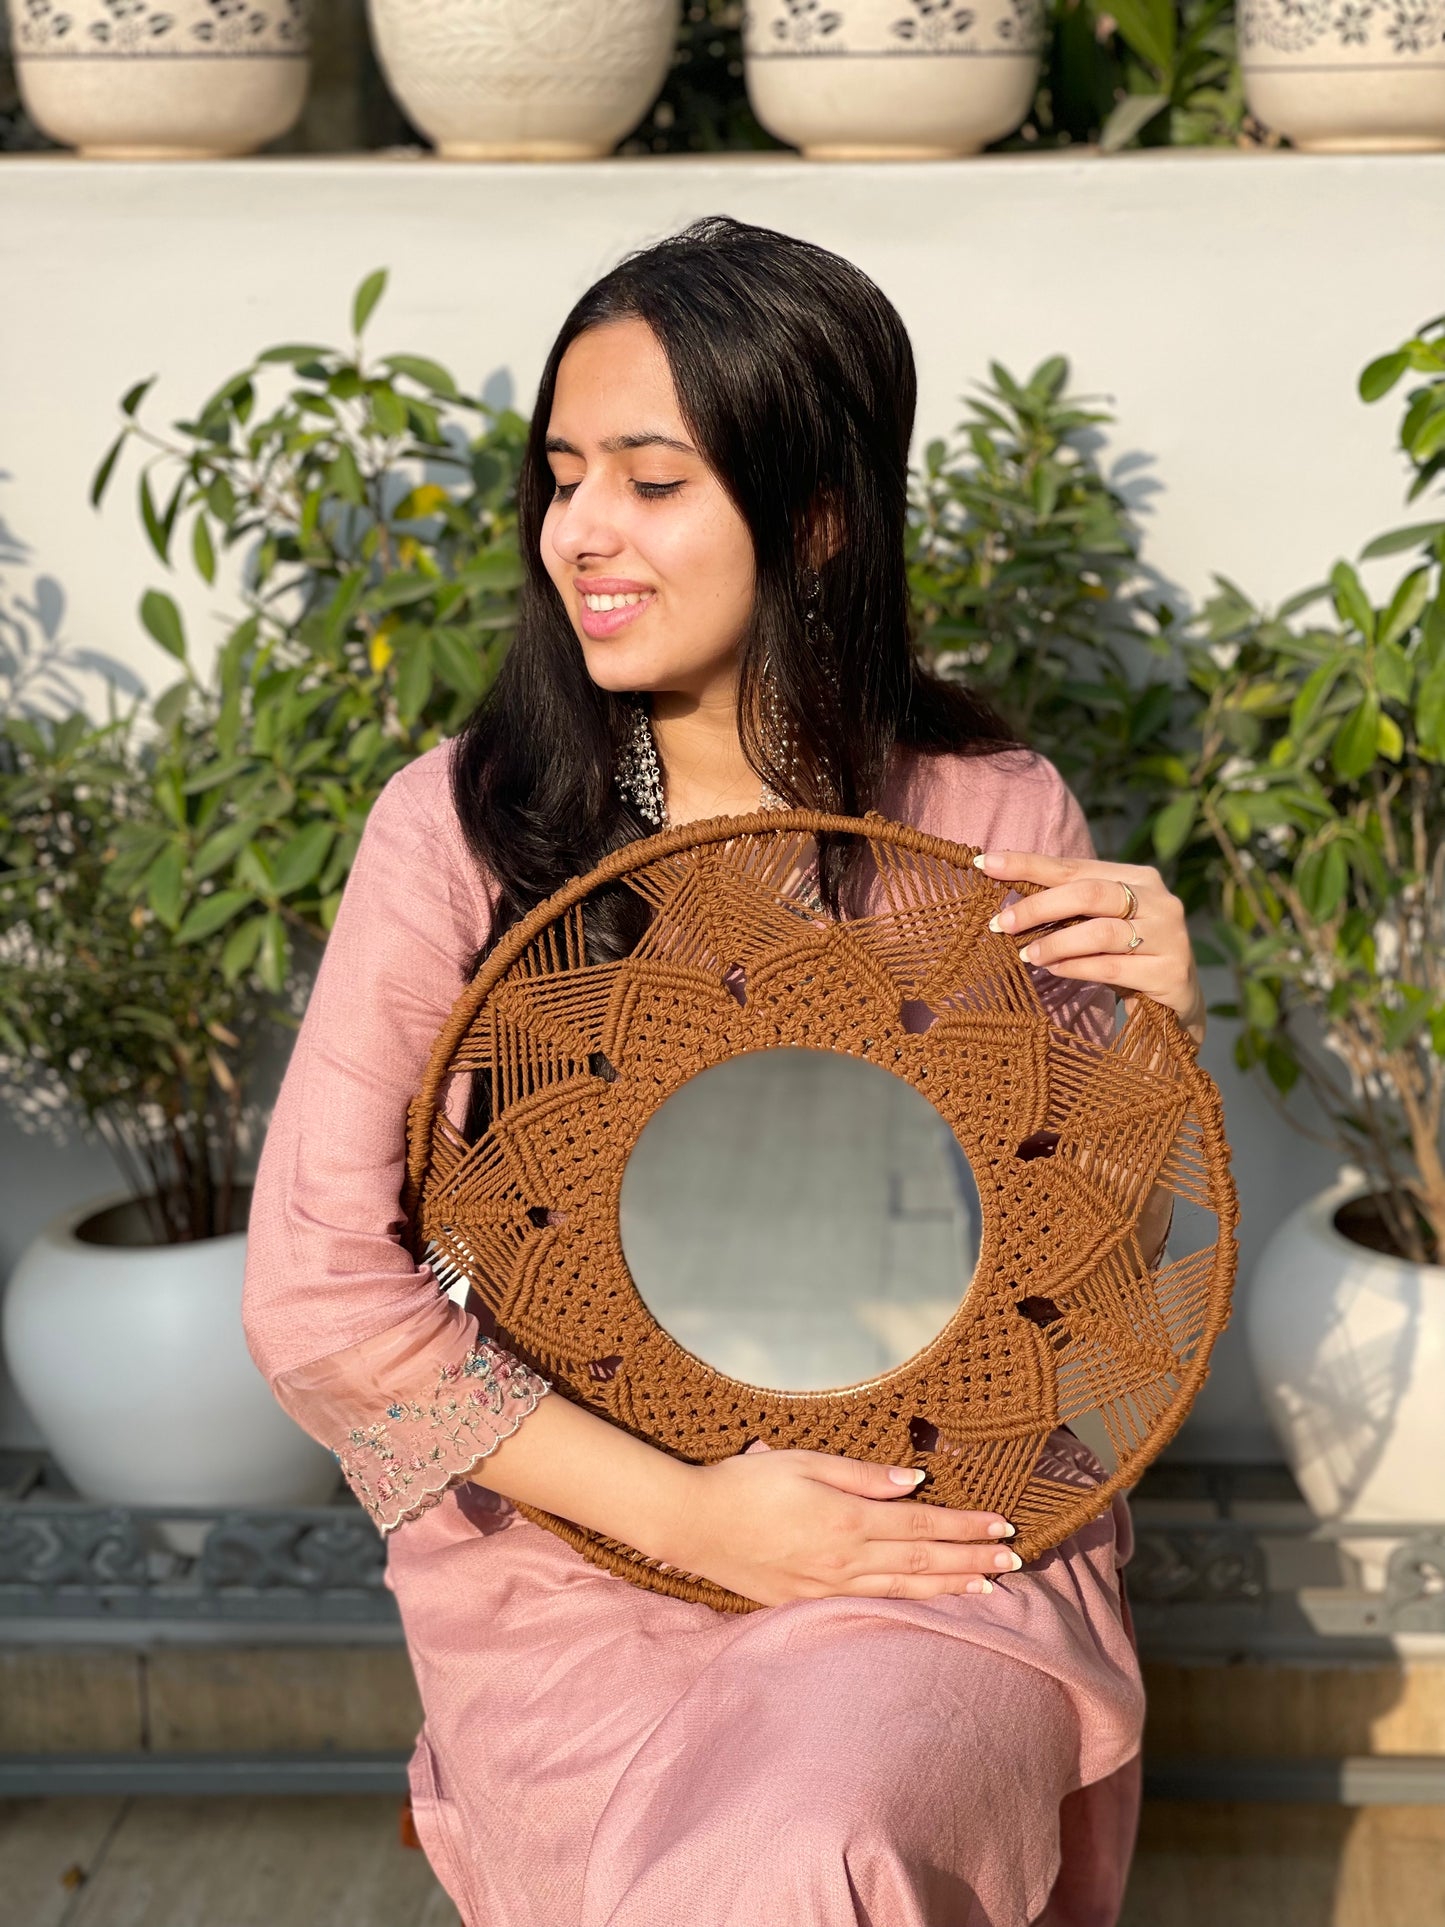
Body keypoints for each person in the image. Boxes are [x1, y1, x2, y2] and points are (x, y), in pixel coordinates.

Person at [243, 216, 1206, 1927]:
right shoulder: (462, 830)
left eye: (649, 480)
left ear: (815, 514)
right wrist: (699, 1518)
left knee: (804, 1845)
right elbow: (316, 1298)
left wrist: (1152, 1056)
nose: (579, 534)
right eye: (559, 477)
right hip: (569, 1567)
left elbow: (1079, 1287)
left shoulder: (984, 816)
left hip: (925, 1532)